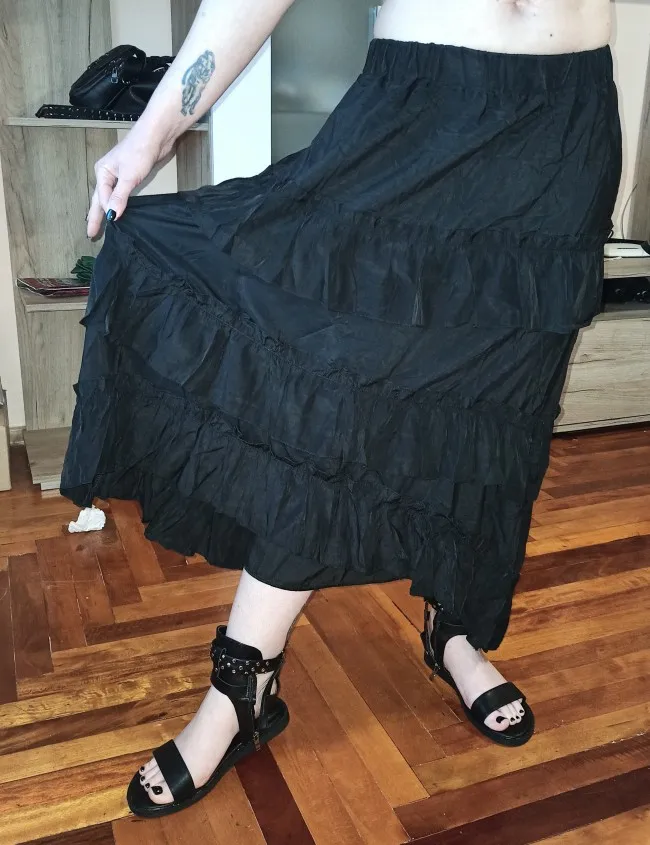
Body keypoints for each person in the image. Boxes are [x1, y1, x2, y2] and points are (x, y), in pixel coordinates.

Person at [64, 0, 621, 818]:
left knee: (499, 403)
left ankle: (456, 624)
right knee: (334, 421)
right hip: (422, 111)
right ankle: (243, 688)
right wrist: (152, 133)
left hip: (569, 125)